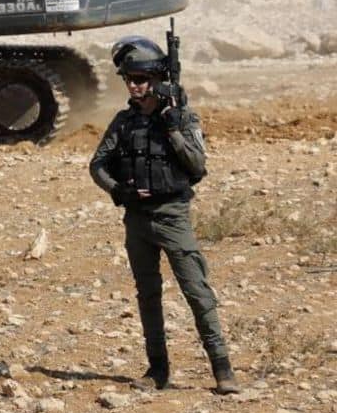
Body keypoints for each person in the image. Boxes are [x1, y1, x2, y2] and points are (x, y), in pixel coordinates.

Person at [89, 36, 238, 394]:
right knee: (148, 295)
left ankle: (223, 369)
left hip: (172, 216)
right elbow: (98, 165)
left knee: (197, 292)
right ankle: (157, 370)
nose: (134, 85)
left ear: (157, 79)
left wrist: (172, 128)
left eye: (140, 79)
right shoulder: (124, 122)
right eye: (129, 79)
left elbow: (197, 165)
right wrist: (118, 191)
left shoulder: (183, 119)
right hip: (137, 220)